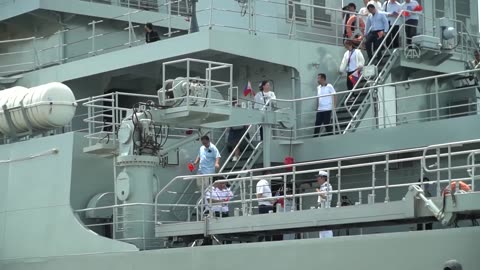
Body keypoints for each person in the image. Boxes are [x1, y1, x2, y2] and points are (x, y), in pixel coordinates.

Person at [316, 170, 333, 238]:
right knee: (322, 231)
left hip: (326, 210)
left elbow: (325, 196)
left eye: (319, 177)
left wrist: (318, 191)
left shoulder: (327, 185)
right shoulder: (323, 186)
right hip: (321, 210)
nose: (317, 179)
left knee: (327, 230)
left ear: (323, 178)